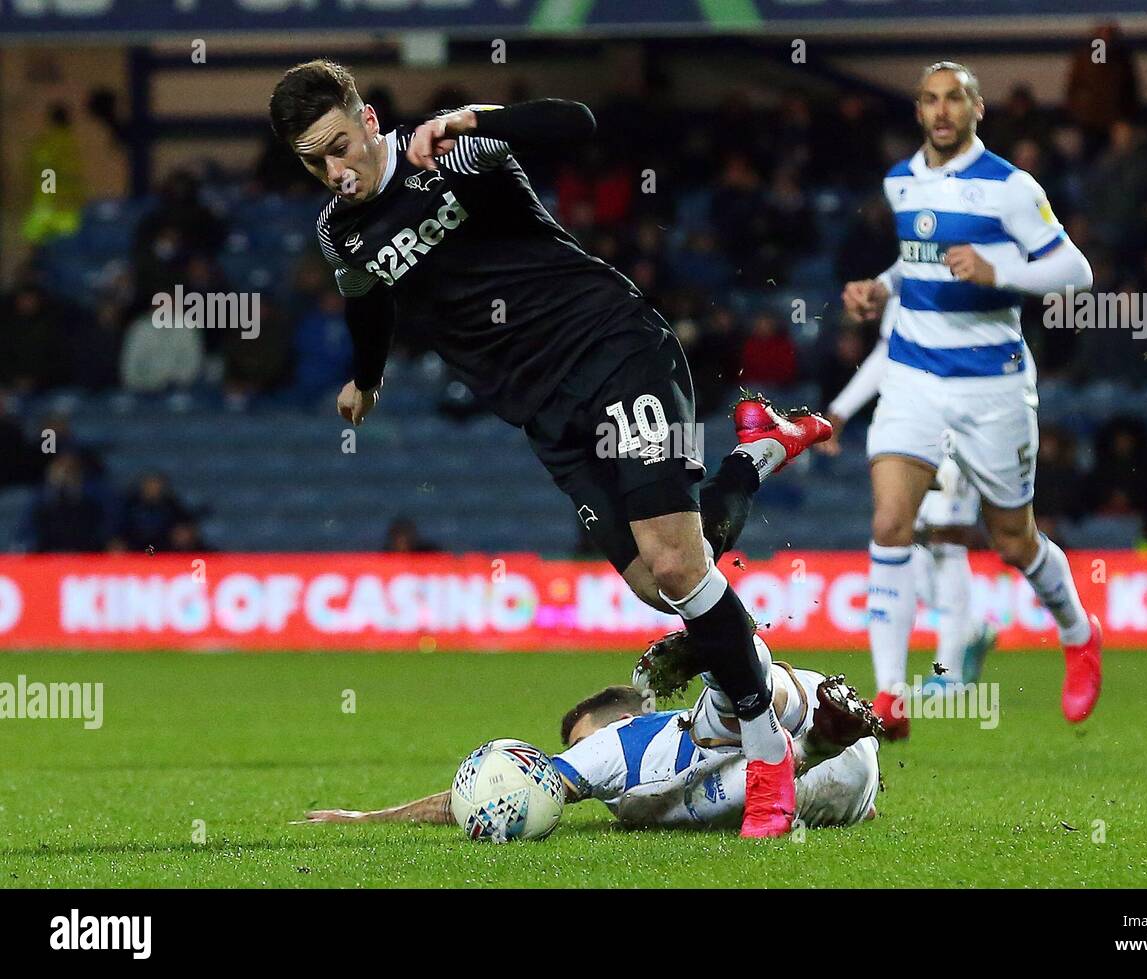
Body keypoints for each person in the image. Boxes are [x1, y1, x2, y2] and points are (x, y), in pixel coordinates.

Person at [268, 60, 833, 837]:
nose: (336, 172)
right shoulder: (340, 231)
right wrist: (366, 378)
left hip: (612, 347)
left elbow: (577, 124)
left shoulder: (451, 152)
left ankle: (769, 761)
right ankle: (753, 455)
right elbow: (368, 301)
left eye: (339, 147)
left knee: (675, 561)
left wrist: (474, 117)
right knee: (659, 582)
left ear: (368, 120)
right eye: (314, 163)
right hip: (543, 412)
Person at [845, 62, 1102, 736]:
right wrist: (879, 286)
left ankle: (1078, 631)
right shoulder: (900, 181)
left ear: (976, 108)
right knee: (891, 523)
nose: (940, 110)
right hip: (913, 378)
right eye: (928, 99)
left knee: (1014, 540)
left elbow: (1076, 270)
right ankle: (892, 694)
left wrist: (1001, 270)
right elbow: (916, 260)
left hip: (992, 384)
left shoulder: (1010, 189)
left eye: (953, 98)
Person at [297, 648, 882, 832]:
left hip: (807, 765)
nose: (575, 762)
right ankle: (795, 711)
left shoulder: (619, 743)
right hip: (849, 779)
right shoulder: (639, 766)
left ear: (610, 721)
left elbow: (502, 789)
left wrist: (371, 819)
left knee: (719, 725)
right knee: (731, 736)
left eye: (576, 741)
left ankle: (727, 652)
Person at [819, 297, 998, 730]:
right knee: (909, 537)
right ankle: (970, 629)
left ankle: (950, 672)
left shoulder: (974, 269)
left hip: (966, 416)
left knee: (945, 536)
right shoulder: (909, 280)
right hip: (914, 422)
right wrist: (841, 410)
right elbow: (889, 353)